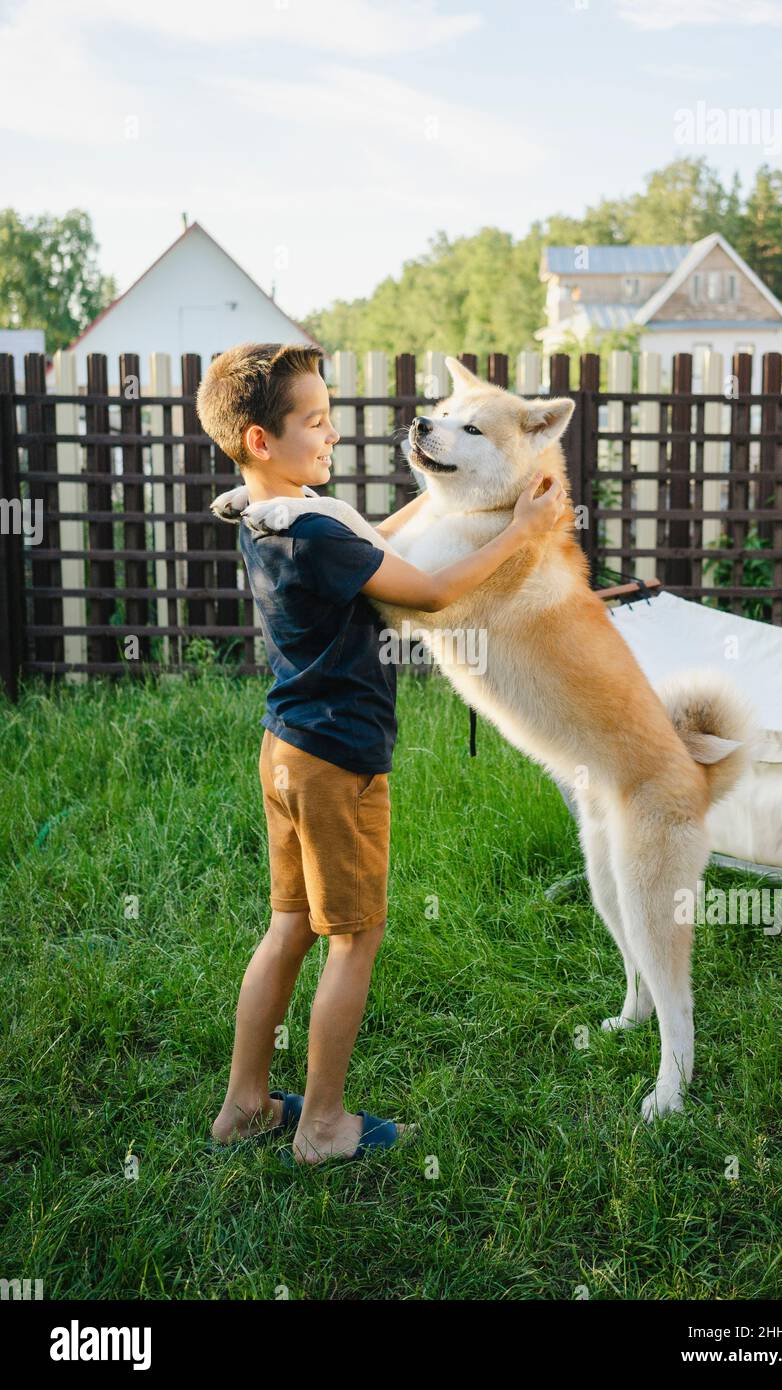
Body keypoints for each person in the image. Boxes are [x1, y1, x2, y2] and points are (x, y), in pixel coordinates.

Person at [197, 342, 566, 1164]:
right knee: (353, 937)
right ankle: (323, 1127)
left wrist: (447, 504)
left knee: (288, 923)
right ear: (263, 439)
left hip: (284, 749)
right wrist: (523, 531)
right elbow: (430, 590)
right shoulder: (318, 532)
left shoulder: (270, 513)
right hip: (340, 762)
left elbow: (377, 543)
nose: (332, 434)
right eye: (317, 422)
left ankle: (245, 1106)